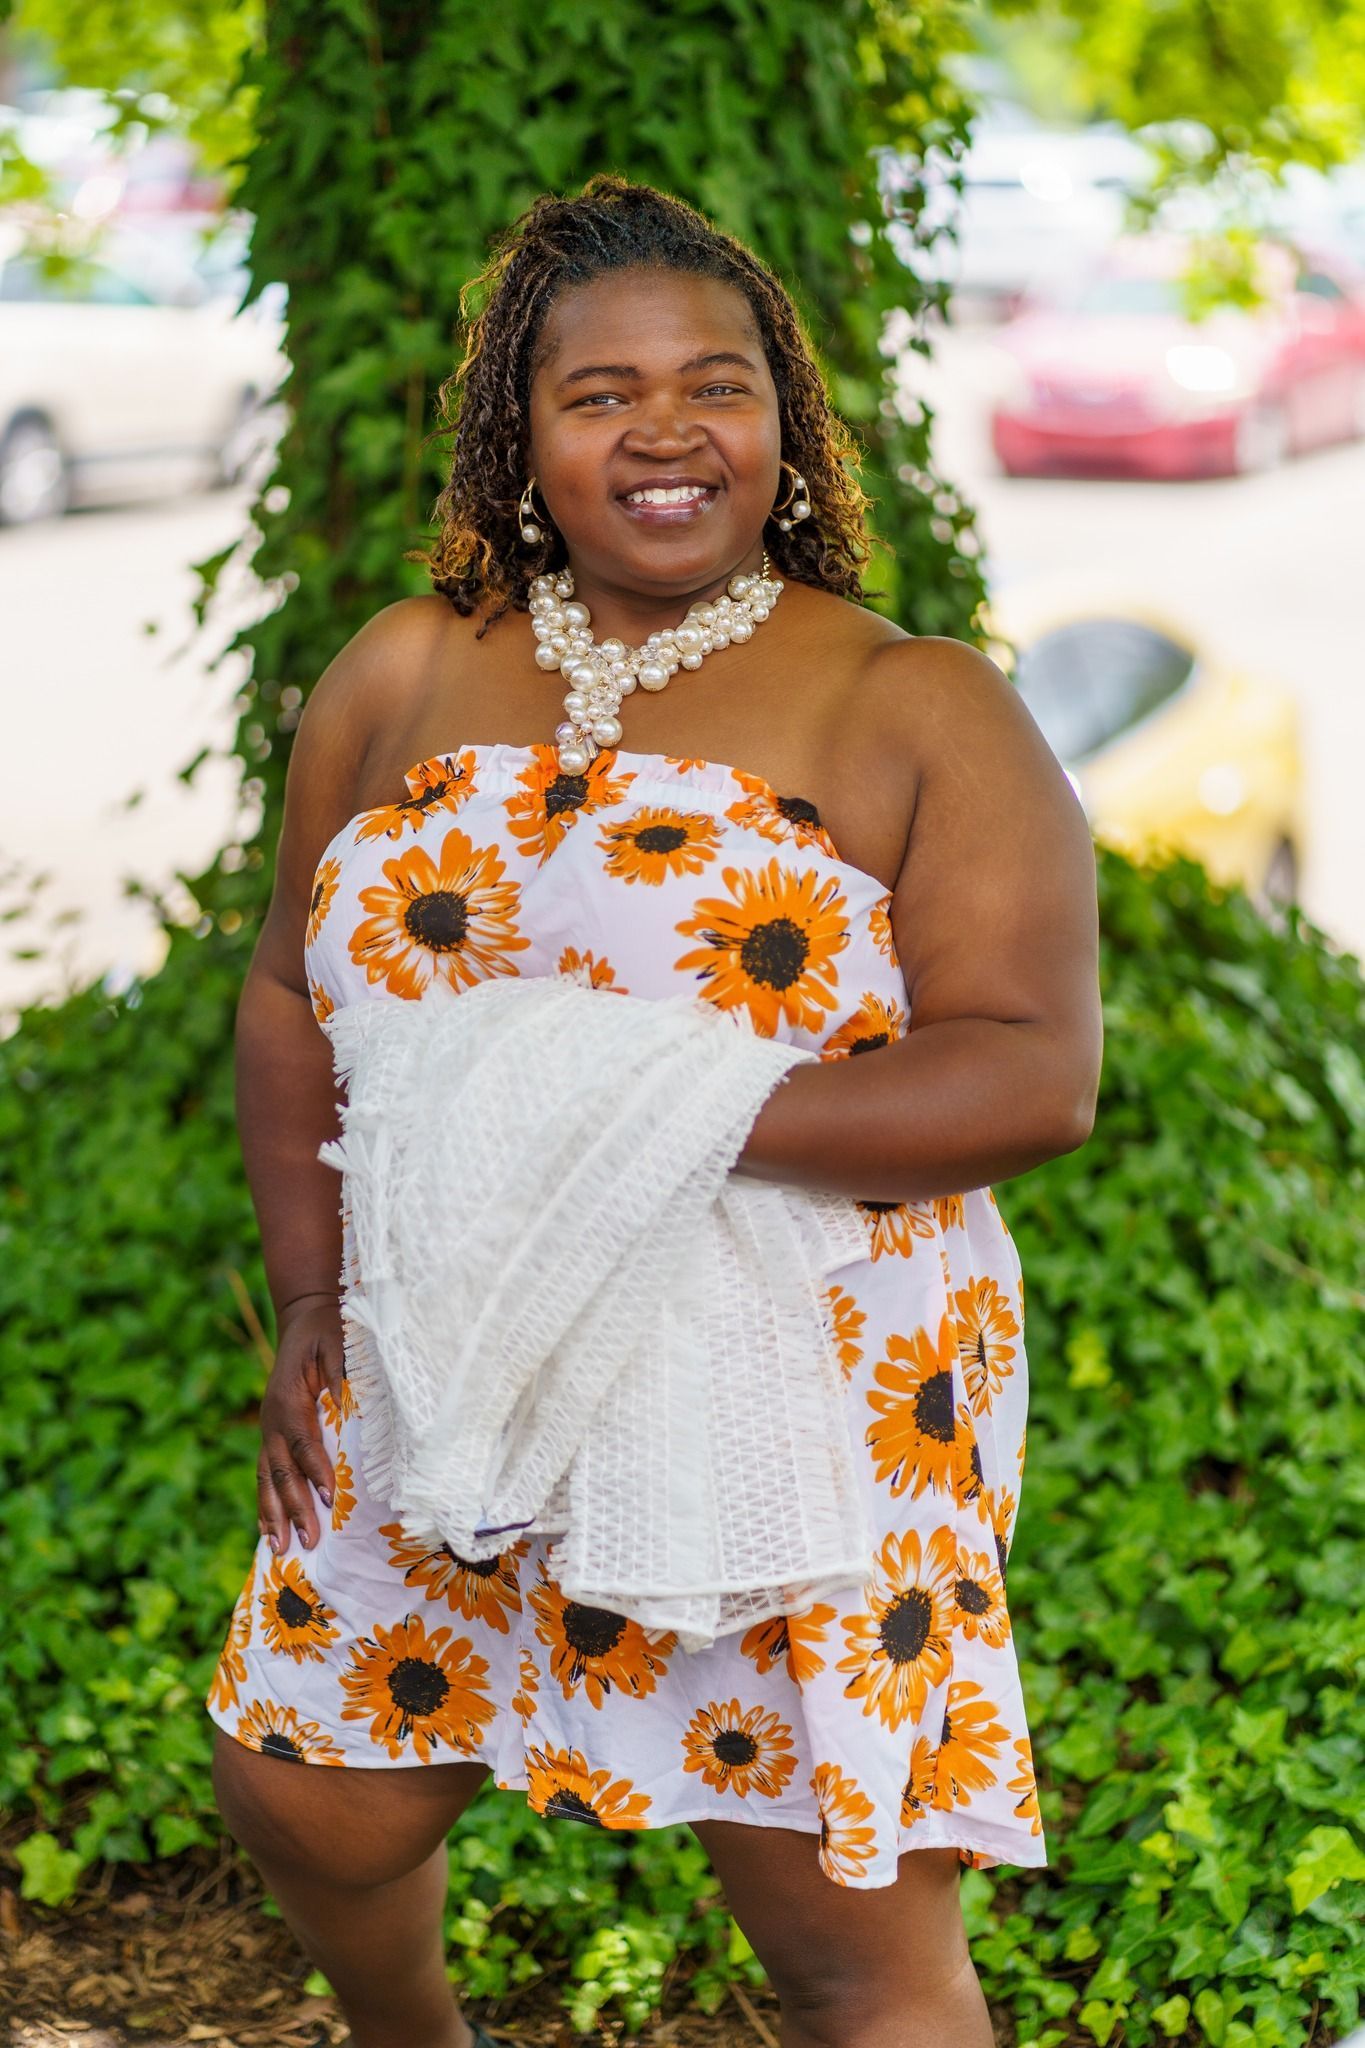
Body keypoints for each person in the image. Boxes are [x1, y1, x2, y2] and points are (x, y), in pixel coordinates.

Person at [205, 174, 1102, 2048]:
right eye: (599, 393)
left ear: (784, 422)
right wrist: (310, 1297)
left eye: (718, 382)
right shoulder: (396, 669)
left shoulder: (912, 705)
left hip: (794, 1388)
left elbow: (1028, 1066)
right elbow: (293, 988)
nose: (668, 428)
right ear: (519, 440)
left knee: (851, 1946)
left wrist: (614, 1109)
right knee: (311, 1782)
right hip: (447, 1340)